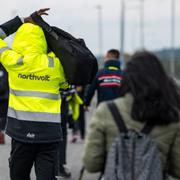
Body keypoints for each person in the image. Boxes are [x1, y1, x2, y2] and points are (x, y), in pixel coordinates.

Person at [83, 51, 180, 179]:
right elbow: (177, 169)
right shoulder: (172, 116)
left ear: (128, 77)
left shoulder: (106, 111)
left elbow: (91, 164)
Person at [0, 9, 68, 180]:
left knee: (18, 175)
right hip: (49, 133)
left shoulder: (14, 61)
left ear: (20, 40)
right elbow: (65, 84)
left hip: (21, 133)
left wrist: (22, 20)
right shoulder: (55, 64)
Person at [0, 64, 8, 144]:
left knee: (3, 118)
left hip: (4, 97)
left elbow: (5, 82)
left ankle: (1, 134)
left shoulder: (5, 69)